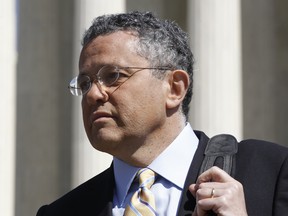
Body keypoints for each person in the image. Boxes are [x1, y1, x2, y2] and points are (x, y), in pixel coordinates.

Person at [36, 11, 288, 216]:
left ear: (174, 88)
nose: (92, 95)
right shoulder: (63, 211)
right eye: (85, 83)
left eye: (112, 76)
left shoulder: (271, 172)